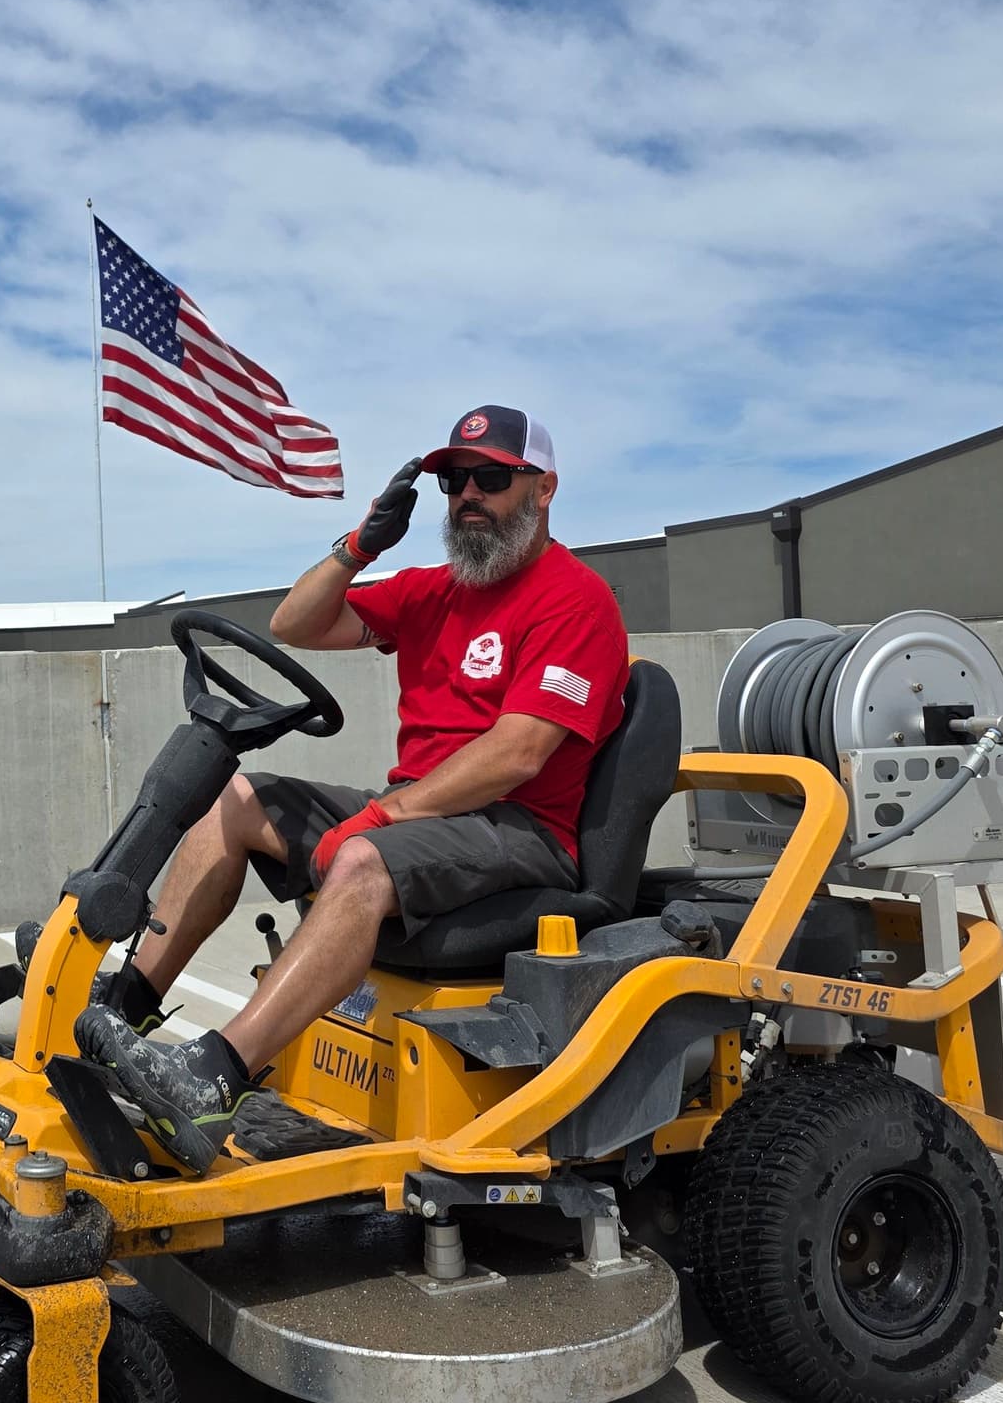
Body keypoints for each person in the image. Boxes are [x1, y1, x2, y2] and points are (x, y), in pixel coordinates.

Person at [75, 406, 631, 1170]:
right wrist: (359, 545)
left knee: (363, 860)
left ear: (543, 489)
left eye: (491, 478)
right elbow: (295, 624)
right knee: (236, 801)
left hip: (521, 828)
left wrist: (381, 816)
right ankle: (127, 1007)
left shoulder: (575, 599)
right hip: (428, 812)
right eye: (454, 481)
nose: (469, 494)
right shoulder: (432, 592)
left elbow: (519, 753)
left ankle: (214, 1078)